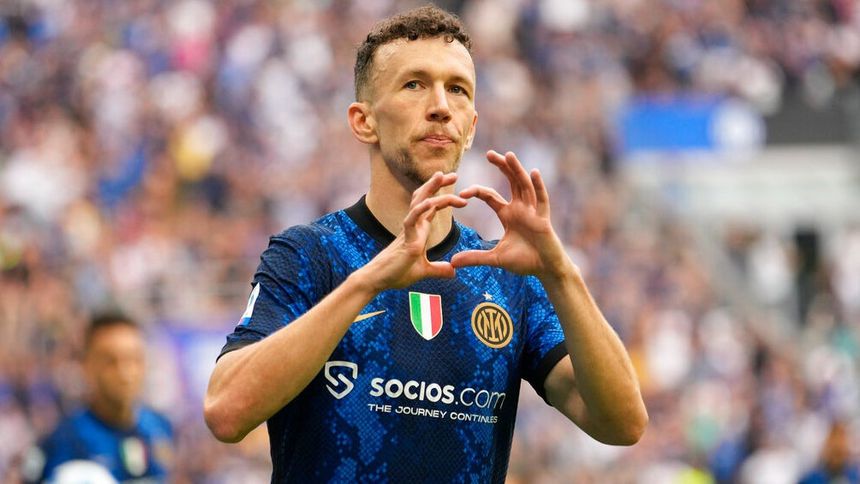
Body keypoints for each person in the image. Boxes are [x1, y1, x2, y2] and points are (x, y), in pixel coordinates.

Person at [204, 5, 647, 482]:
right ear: (364, 121)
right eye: (414, 84)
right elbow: (226, 412)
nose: (440, 106)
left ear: (471, 127)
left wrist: (560, 273)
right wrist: (369, 281)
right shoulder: (310, 255)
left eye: (458, 89)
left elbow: (622, 424)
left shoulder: (505, 278)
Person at [24, 313, 173, 483]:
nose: (125, 373)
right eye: (111, 361)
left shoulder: (159, 427)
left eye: (134, 359)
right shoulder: (62, 441)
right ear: (87, 365)